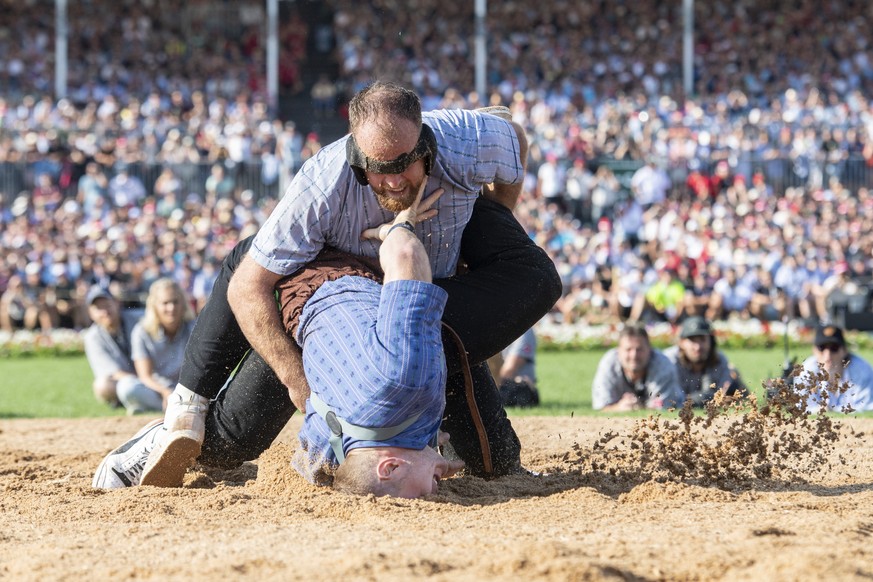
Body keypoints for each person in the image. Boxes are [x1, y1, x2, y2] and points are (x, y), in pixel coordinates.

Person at [121, 82, 560, 486]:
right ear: (356, 156)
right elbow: (246, 285)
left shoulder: (468, 139)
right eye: (377, 168)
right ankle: (163, 434)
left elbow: (515, 143)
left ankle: (437, 419)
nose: (392, 180)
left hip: (418, 306)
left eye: (405, 163)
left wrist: (488, 222)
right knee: (233, 441)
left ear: (426, 143)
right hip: (336, 315)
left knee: (496, 464)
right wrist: (299, 381)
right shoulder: (321, 183)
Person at [95, 183, 465, 497]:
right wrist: (400, 226)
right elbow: (403, 255)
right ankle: (184, 407)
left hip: (310, 329)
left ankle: (159, 439)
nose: (434, 490)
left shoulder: (335, 441)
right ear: (389, 466)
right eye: (426, 493)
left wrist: (417, 445)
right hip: (312, 280)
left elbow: (321, 463)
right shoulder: (405, 382)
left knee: (236, 442)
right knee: (246, 274)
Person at [128, 278, 196, 414]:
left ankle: (173, 405)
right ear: (155, 306)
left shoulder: (195, 327)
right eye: (165, 303)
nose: (171, 308)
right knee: (127, 388)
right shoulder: (142, 332)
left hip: (190, 388)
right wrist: (165, 392)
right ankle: (176, 406)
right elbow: (145, 375)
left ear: (183, 303)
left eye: (175, 302)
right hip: (159, 390)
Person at [81, 285, 148, 411]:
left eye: (107, 305)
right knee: (102, 386)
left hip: (154, 372)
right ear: (90, 313)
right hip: (128, 380)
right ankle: (129, 399)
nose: (104, 311)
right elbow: (112, 372)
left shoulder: (139, 319)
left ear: (117, 303)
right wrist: (143, 379)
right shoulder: (92, 337)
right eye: (98, 308)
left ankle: (138, 399)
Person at [591, 324, 684, 411]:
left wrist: (638, 406)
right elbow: (601, 406)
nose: (634, 355)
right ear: (618, 351)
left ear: (650, 349)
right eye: (628, 349)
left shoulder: (663, 364)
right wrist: (619, 407)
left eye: (639, 349)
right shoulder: (609, 363)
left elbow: (665, 407)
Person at [663, 316, 746, 407]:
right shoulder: (669, 360)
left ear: (711, 341)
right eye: (692, 340)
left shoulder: (719, 360)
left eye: (702, 339)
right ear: (682, 342)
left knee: (734, 375)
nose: (698, 347)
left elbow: (719, 397)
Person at [797, 324, 873, 413]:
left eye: (834, 348)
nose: (827, 356)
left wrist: (831, 410)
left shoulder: (862, 371)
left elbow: (866, 407)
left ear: (845, 351)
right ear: (814, 351)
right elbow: (802, 408)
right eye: (821, 348)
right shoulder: (806, 371)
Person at [496, 328, 540, 408]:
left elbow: (510, 368)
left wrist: (493, 388)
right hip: (502, 384)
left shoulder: (525, 330)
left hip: (519, 389)